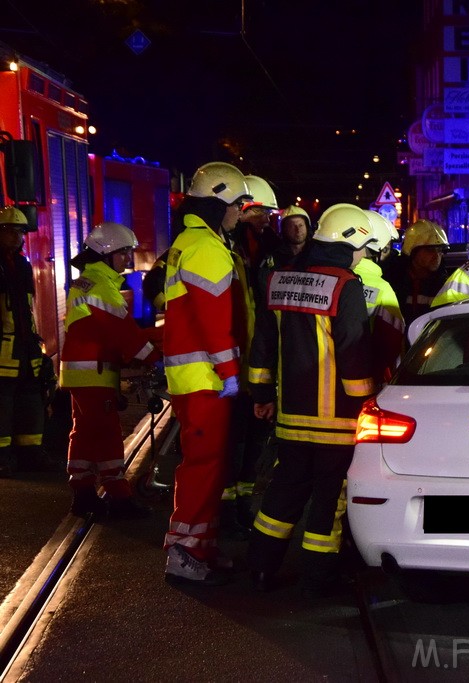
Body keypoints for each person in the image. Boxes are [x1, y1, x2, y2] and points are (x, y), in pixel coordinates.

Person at [247, 203, 376, 597]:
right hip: (336, 421)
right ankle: (318, 579)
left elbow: (263, 343)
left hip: (290, 417)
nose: (364, 255)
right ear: (350, 243)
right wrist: (365, 403)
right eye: (364, 247)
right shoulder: (345, 285)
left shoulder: (280, 280)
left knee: (283, 492)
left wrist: (262, 393)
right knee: (327, 500)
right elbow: (353, 352)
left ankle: (260, 570)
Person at [162, 161, 252, 586]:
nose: (240, 212)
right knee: (202, 466)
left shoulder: (192, 242)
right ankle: (183, 554)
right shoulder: (206, 249)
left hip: (199, 377)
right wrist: (230, 370)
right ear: (218, 203)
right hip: (206, 379)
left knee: (211, 466)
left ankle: (202, 547)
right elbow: (214, 320)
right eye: (236, 204)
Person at [60, 222, 161, 518]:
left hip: (79, 371)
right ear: (106, 254)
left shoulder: (87, 281)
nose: (127, 259)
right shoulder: (102, 286)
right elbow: (122, 333)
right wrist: (153, 358)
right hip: (95, 371)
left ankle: (83, 494)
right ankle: (119, 497)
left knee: (84, 433)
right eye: (123, 253)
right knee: (106, 434)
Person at [220, 175, 279, 538]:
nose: (267, 220)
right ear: (245, 210)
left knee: (252, 440)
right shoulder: (225, 244)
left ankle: (240, 506)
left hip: (255, 353)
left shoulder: (270, 245)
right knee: (233, 440)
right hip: (233, 355)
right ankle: (226, 511)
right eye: (262, 213)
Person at [0, 207, 50, 478]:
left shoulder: (21, 265)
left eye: (19, 232)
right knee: (3, 407)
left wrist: (35, 345)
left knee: (31, 401)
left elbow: (26, 310)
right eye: (9, 231)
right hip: (2, 350)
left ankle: (30, 455)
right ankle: (3, 459)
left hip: (24, 348)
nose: (16, 236)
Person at [358, 210, 405, 384]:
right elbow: (393, 343)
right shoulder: (381, 288)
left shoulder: (330, 278)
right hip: (368, 381)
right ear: (379, 248)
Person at [381, 219, 450, 324]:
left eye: (440, 250)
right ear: (411, 250)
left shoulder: (445, 286)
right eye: (430, 250)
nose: (436, 256)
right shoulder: (392, 281)